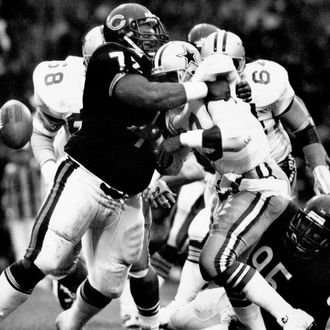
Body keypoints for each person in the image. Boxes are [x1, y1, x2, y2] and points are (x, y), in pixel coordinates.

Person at [0, 3, 226, 330]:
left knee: (109, 284)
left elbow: (167, 162)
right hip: (85, 180)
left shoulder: (159, 78)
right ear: (121, 32)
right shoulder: (110, 58)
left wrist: (176, 134)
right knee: (43, 260)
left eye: (154, 31)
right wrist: (202, 86)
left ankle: (71, 321)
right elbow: (146, 96)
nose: (153, 38)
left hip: (125, 199)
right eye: (144, 31)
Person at [154, 40, 315, 329]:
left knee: (216, 261)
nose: (164, 86)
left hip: (259, 182)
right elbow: (175, 163)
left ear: (189, 73)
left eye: (168, 78)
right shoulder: (182, 112)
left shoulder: (217, 98)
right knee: (227, 270)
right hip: (233, 189)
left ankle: (292, 317)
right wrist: (156, 175)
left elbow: (238, 139)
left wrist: (182, 139)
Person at [169, 194, 330, 330]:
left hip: (276, 325)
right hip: (233, 302)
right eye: (304, 224)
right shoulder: (281, 212)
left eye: (316, 234)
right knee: (176, 320)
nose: (304, 234)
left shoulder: (325, 271)